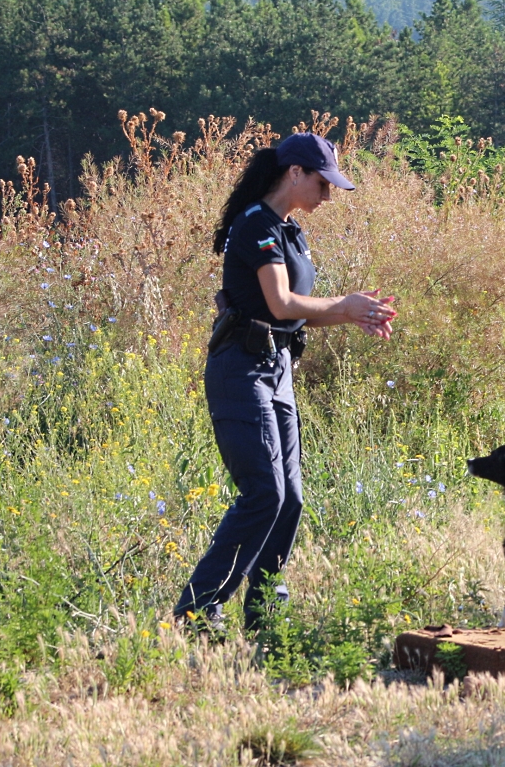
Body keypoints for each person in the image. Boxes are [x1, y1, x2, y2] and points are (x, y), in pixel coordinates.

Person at [174, 132, 396, 633]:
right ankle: (195, 611)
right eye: (323, 183)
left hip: (276, 371)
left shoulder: (291, 231)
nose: (328, 194)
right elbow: (279, 303)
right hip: (240, 370)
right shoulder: (256, 225)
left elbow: (295, 315)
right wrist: (342, 306)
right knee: (264, 493)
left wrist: (351, 315)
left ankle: (264, 613)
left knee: (289, 496)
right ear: (294, 173)